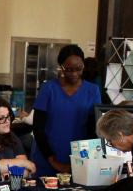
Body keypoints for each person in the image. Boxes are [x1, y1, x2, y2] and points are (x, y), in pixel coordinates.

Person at [31, 45, 101, 176]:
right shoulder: (48, 89)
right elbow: (38, 129)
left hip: (80, 159)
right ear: (61, 66)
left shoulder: (93, 90)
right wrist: (53, 161)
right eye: (68, 69)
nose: (74, 73)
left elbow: (93, 128)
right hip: (48, 158)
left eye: (79, 68)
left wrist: (88, 159)